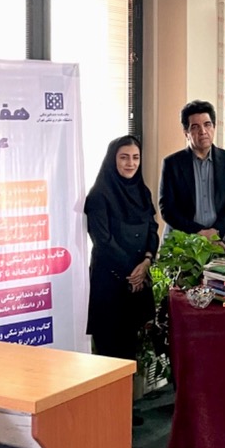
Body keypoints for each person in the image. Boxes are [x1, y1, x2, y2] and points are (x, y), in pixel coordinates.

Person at [85, 135, 158, 363]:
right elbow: (103, 241)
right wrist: (133, 273)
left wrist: (147, 261)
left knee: (131, 354)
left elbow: (152, 229)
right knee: (109, 356)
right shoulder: (98, 195)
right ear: (112, 159)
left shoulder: (143, 192)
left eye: (136, 157)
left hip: (137, 284)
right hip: (110, 284)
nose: (131, 163)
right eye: (124, 157)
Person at [159, 100, 225, 251]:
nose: (203, 131)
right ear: (186, 132)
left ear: (214, 127)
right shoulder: (172, 164)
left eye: (207, 124)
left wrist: (215, 232)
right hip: (184, 242)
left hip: (222, 239)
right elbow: (167, 209)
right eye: (195, 127)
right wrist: (200, 233)